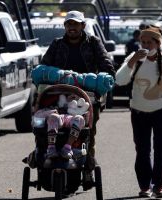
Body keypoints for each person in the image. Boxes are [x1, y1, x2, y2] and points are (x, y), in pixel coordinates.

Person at [40, 10, 116, 189]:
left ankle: (87, 168)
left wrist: (104, 79)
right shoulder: (57, 44)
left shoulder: (93, 43)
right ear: (65, 27)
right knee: (47, 125)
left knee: (87, 132)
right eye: (68, 24)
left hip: (87, 95)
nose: (71, 27)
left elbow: (106, 64)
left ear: (83, 26)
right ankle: (44, 158)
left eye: (75, 24)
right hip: (60, 93)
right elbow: (44, 65)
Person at [115, 27, 162, 198]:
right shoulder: (134, 58)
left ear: (158, 43)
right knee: (142, 149)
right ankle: (145, 186)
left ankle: (159, 186)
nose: (145, 45)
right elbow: (119, 79)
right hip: (139, 110)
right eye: (143, 42)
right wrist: (132, 62)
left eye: (149, 42)